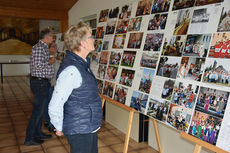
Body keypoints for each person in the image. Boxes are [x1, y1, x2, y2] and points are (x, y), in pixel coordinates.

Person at [49, 22, 102, 153]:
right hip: (80, 130)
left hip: (87, 126)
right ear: (82, 43)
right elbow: (55, 104)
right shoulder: (72, 70)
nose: (93, 39)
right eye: (91, 37)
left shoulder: (82, 64)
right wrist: (59, 126)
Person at [24, 28, 55, 146]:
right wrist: (50, 62)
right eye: (52, 36)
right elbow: (37, 66)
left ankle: (37, 133)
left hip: (43, 82)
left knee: (40, 110)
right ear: (46, 37)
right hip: (39, 83)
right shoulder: (38, 48)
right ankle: (29, 138)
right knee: (37, 111)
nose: (53, 39)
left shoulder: (44, 48)